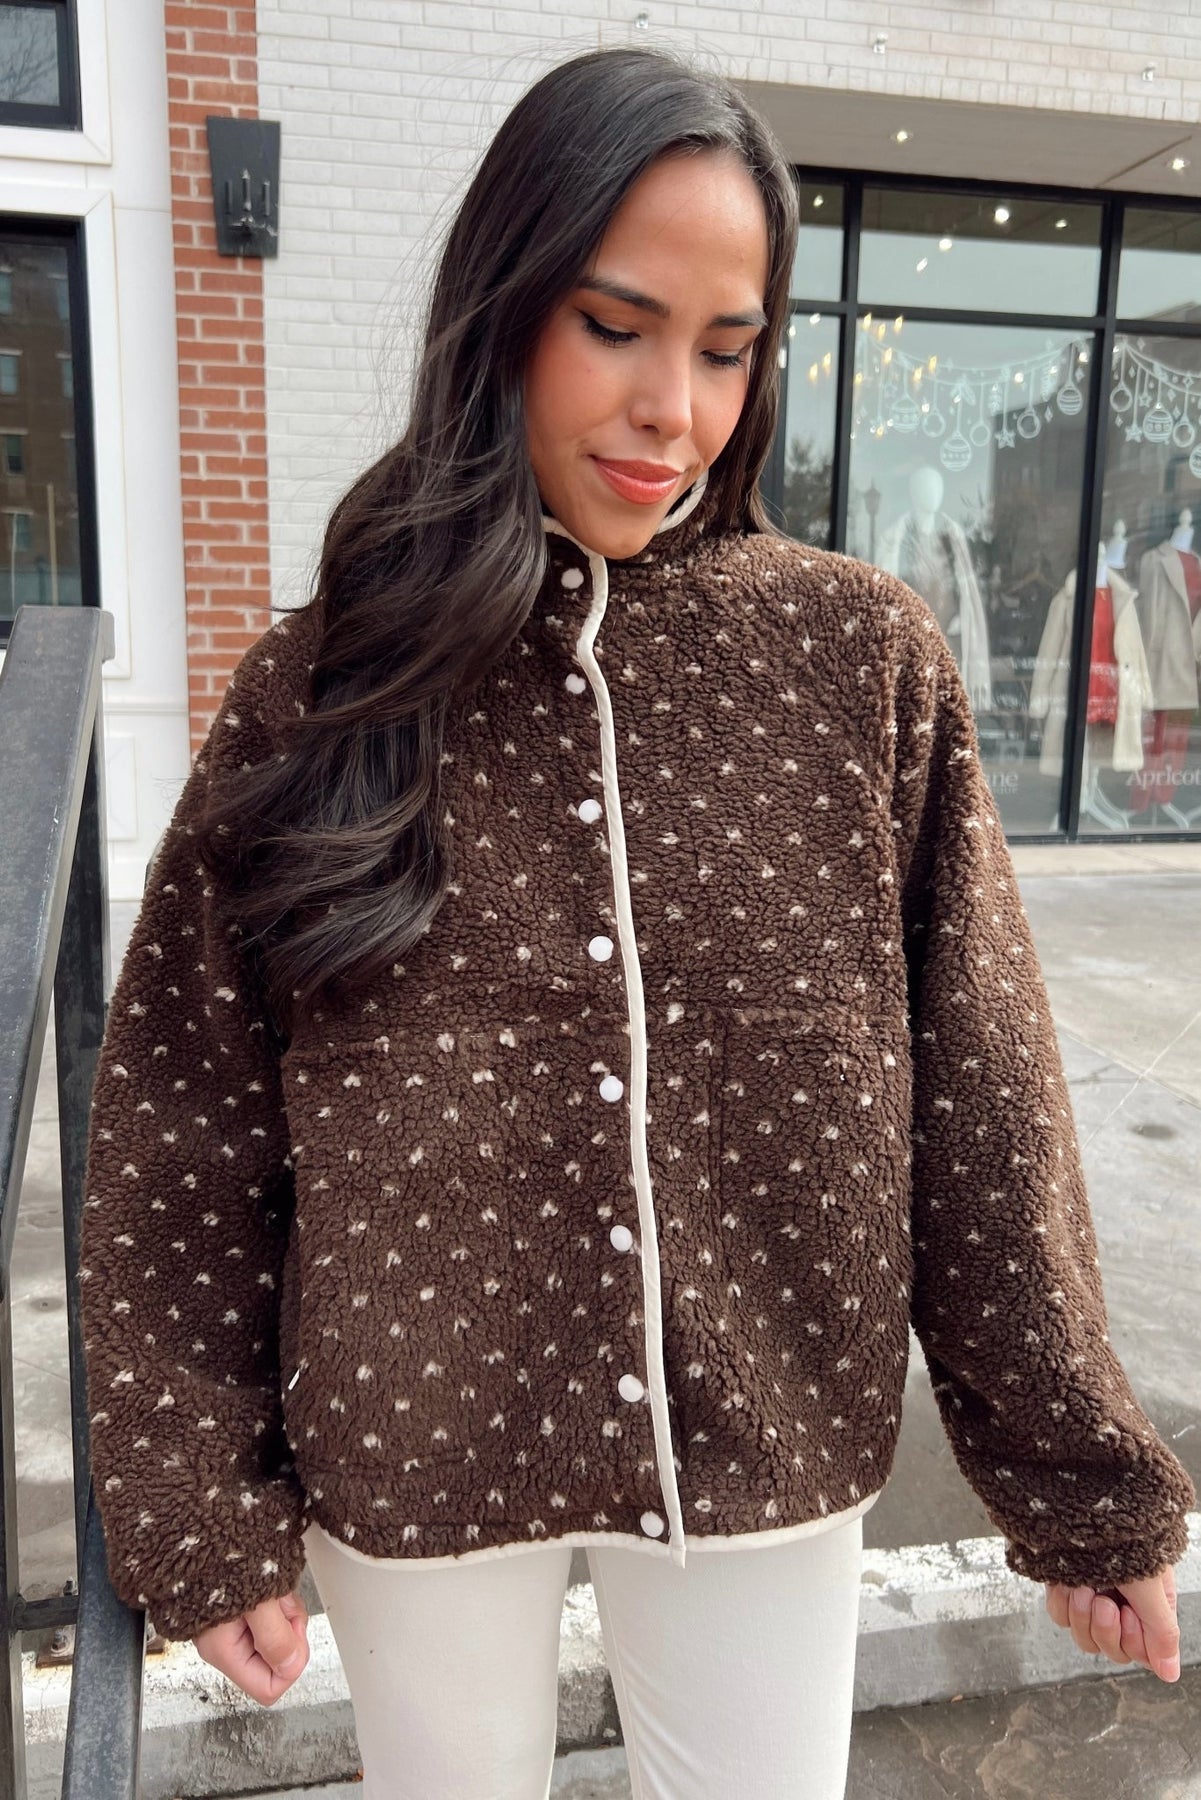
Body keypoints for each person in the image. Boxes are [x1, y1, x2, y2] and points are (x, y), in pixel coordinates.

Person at [79, 45, 1193, 1800]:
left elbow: (983, 1096)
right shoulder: (326, 682)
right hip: (413, 1430)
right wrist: (195, 1493)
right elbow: (185, 1119)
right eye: (614, 325)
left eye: (726, 347)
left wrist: (1076, 1477)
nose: (673, 407)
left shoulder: (858, 662)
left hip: (768, 1419)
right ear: (503, 309)